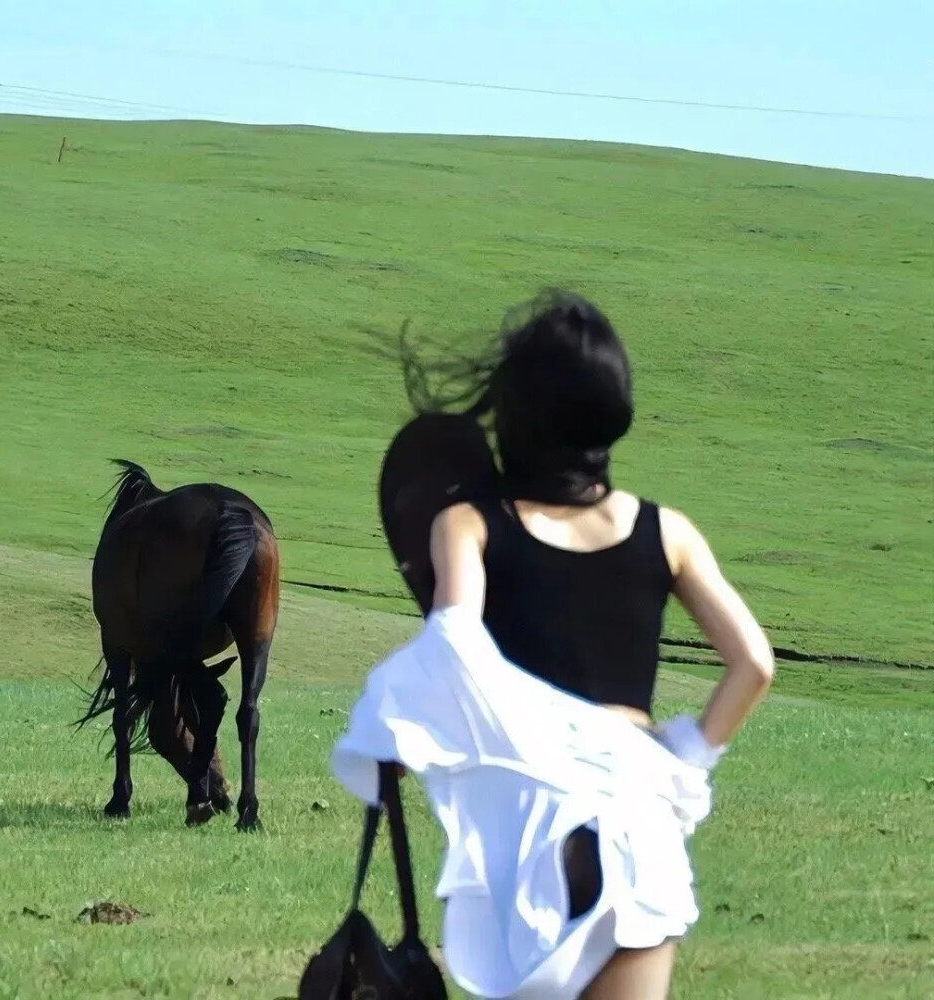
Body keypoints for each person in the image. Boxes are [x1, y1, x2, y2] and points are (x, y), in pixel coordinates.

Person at [331, 289, 775, 1000]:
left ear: (514, 412)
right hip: (638, 823)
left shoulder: (467, 526)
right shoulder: (669, 531)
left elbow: (453, 653)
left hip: (528, 819)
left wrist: (396, 733)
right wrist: (684, 761)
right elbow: (754, 663)